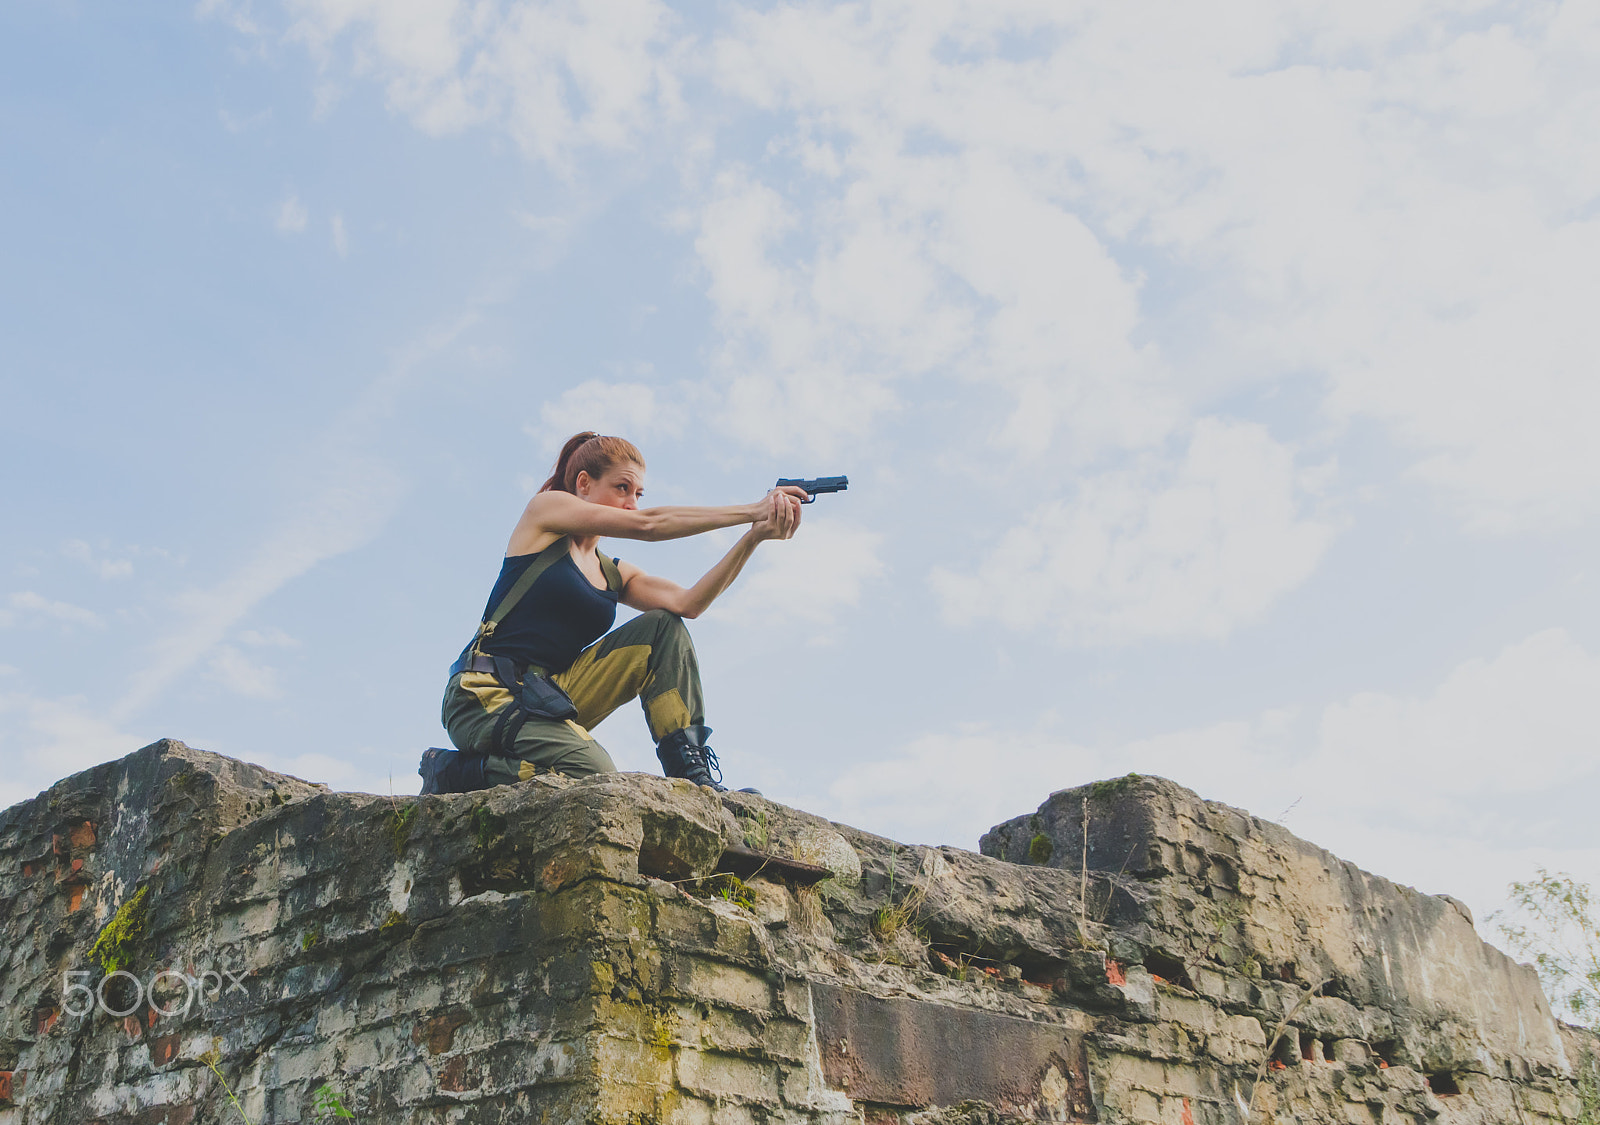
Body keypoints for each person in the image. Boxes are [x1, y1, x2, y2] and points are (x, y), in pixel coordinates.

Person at [419, 432, 806, 796]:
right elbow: (648, 524)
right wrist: (753, 508)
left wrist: (754, 535)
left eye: (638, 493)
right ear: (584, 484)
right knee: (593, 773)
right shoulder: (545, 514)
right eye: (622, 488)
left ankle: (694, 779)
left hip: (545, 697)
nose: (632, 503)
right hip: (483, 694)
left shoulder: (613, 572)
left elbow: (690, 603)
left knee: (664, 627)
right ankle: (459, 773)